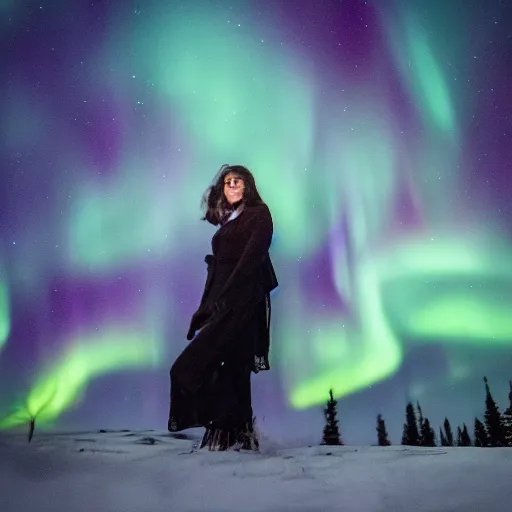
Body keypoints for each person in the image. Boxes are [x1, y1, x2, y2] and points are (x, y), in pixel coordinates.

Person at [168, 164, 278, 451]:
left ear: (248, 186)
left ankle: (234, 442)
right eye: (227, 181)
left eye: (237, 181)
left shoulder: (258, 215)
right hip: (222, 304)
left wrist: (229, 296)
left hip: (243, 303)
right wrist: (203, 311)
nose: (231, 185)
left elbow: (251, 259)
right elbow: (215, 273)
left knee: (231, 370)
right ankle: (231, 437)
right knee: (197, 369)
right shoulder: (228, 221)